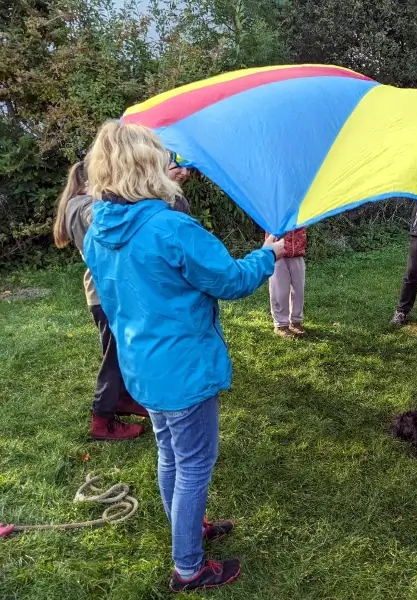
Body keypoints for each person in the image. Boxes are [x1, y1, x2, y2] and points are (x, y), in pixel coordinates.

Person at [82, 121, 285, 592]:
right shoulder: (171, 227)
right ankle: (189, 566)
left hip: (143, 366)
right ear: (147, 165)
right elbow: (230, 280)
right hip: (182, 368)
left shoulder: (97, 229)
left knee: (171, 455)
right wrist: (267, 254)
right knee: (194, 464)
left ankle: (189, 531)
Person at [53, 159, 147, 441]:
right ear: (87, 182)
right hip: (107, 293)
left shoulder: (75, 205)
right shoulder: (86, 208)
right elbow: (109, 225)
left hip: (104, 291)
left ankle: (123, 400)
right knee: (114, 357)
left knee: (120, 351)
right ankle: (101, 420)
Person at [267, 227, 307, 338]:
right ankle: (281, 325)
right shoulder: (274, 210)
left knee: (299, 290)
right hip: (278, 254)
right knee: (279, 290)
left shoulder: (299, 210)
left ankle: (296, 322)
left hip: (297, 253)